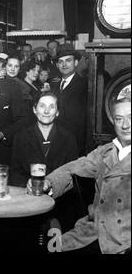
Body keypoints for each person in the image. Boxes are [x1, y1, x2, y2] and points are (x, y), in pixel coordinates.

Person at [27, 97, 131, 254]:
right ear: (112, 121)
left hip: (123, 240)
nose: (125, 125)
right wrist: (48, 182)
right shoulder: (104, 152)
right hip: (92, 230)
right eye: (119, 118)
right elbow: (71, 169)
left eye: (130, 117)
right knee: (50, 248)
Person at [50, 43, 88, 156]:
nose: (64, 64)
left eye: (68, 60)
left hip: (75, 145)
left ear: (75, 62)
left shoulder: (84, 85)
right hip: (54, 143)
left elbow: (83, 122)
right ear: (57, 65)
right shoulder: (54, 85)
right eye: (60, 61)